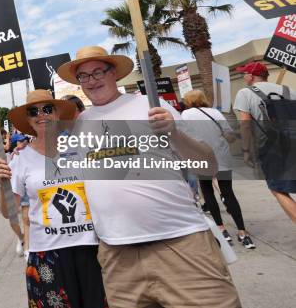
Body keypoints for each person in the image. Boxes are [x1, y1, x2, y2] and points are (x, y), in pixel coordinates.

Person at [56, 46, 240, 308]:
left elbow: (208, 167)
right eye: (84, 76)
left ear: (114, 73)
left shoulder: (151, 106)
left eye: (98, 72)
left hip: (180, 244)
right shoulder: (80, 124)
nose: (91, 80)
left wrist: (174, 133)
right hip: (118, 258)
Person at [0, 90, 106, 307]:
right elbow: (9, 211)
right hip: (46, 254)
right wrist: (1, 185)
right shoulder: (20, 159)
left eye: (47, 109)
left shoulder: (81, 148)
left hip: (91, 248)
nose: (40, 115)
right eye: (33, 111)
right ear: (28, 119)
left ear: (56, 114)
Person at [181, 89, 255, 249]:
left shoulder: (185, 115)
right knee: (228, 193)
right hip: (222, 157)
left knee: (208, 193)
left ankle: (222, 230)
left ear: (188, 101)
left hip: (200, 157)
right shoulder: (214, 112)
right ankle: (243, 233)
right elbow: (229, 135)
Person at [233, 61, 296, 223]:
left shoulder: (244, 93)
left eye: (244, 73)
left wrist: (246, 151)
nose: (243, 76)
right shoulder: (289, 91)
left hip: (272, 150)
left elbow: (245, 125)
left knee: (278, 189)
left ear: (252, 76)